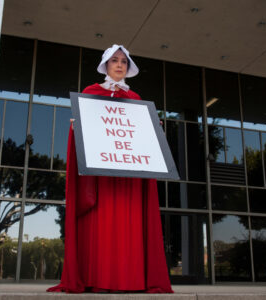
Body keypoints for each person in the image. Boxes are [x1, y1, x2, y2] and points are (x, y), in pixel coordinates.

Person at [47, 44, 173, 293]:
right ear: (105, 64)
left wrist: (152, 128)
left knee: (129, 229)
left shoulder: (136, 100)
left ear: (128, 67)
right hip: (101, 178)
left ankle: (130, 281)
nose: (119, 65)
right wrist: (77, 127)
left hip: (129, 180)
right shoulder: (90, 93)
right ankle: (99, 280)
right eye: (114, 60)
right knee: (100, 230)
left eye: (123, 62)